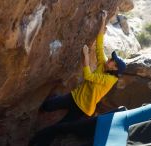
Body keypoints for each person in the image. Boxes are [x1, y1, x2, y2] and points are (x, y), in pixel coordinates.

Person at [29, 10, 126, 146]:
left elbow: (88, 76)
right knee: (48, 105)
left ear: (115, 69)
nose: (109, 59)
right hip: (75, 96)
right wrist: (103, 20)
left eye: (112, 61)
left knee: (58, 129)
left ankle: (36, 142)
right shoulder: (103, 65)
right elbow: (99, 44)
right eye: (111, 58)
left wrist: (85, 57)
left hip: (83, 109)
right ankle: (49, 104)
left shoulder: (109, 80)